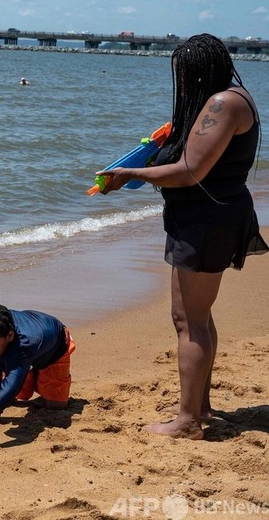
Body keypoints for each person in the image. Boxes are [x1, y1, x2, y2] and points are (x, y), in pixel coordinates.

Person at [97, 33, 268, 439]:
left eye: (184, 74)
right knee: (193, 317)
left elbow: (190, 171)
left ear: (200, 69)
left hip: (208, 220)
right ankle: (198, 405)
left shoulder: (223, 102)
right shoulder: (228, 97)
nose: (183, 83)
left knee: (190, 321)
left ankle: (188, 421)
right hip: (206, 215)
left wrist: (130, 174)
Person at [0, 302, 76, 453]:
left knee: (55, 406)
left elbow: (11, 387)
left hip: (54, 349)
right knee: (21, 395)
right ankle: (27, 372)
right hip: (21, 354)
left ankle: (31, 373)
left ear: (10, 336)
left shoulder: (23, 342)